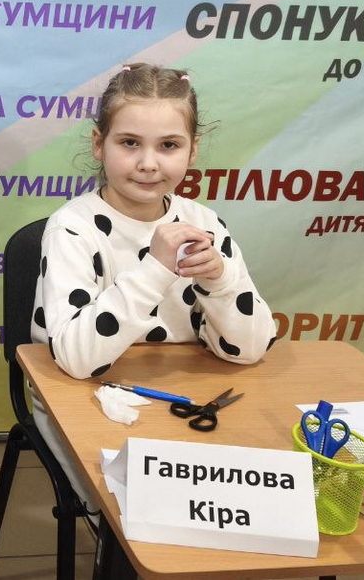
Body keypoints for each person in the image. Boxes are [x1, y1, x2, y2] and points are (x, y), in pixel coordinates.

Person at [30, 62, 277, 516]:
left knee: (232, 502)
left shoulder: (204, 222)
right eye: (129, 143)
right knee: (132, 514)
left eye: (168, 145)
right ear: (99, 144)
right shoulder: (73, 227)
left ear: (192, 150)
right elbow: (79, 361)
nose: (148, 163)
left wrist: (221, 280)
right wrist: (155, 269)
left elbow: (249, 350)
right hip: (85, 395)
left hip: (181, 396)